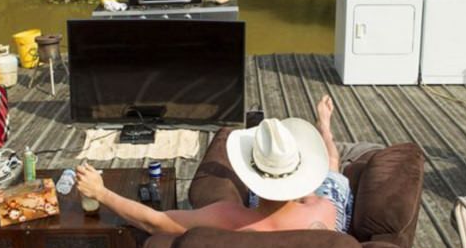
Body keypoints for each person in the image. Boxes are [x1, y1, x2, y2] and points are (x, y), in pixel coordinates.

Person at [75, 95, 354, 236]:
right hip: (311, 219)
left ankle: (323, 130)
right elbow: (328, 169)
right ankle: (324, 129)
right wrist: (308, 192)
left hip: (273, 206)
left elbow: (156, 222)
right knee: (331, 168)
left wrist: (101, 193)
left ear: (253, 172)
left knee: (330, 169)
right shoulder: (324, 210)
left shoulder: (229, 218)